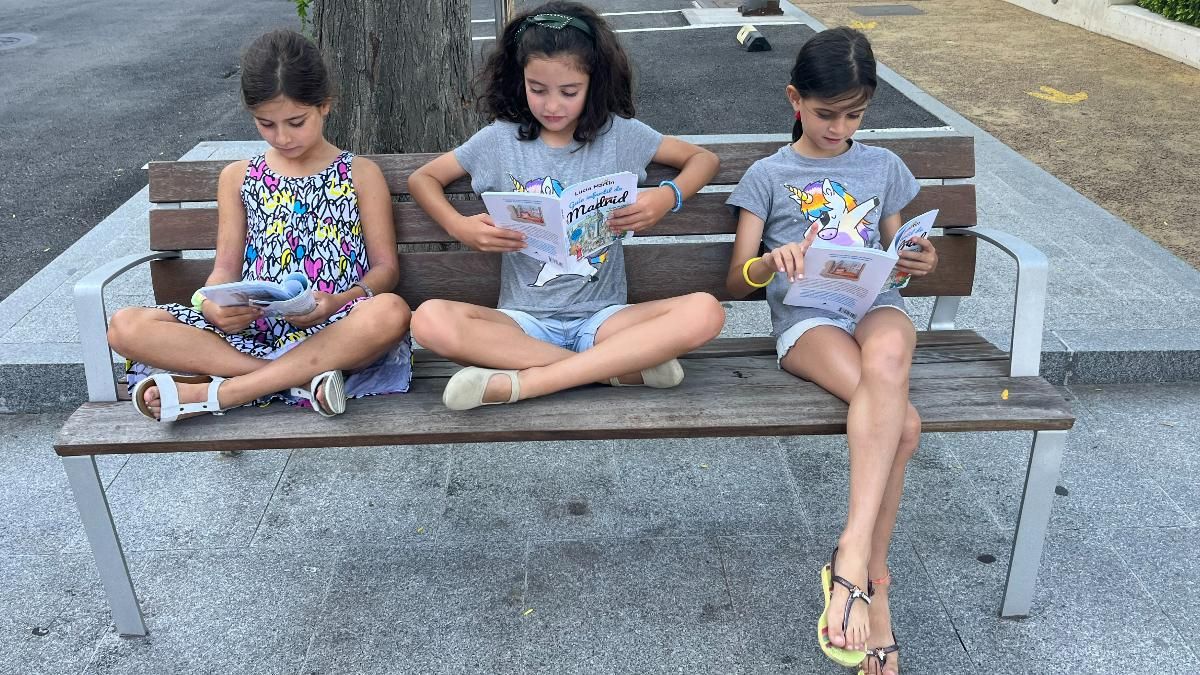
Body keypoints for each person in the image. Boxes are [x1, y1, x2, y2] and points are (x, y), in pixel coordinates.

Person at [724, 27, 938, 675]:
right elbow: (736, 280)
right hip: (808, 320)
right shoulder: (769, 175)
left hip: (875, 306)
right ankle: (873, 582)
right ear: (795, 99)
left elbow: (901, 252)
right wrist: (770, 263)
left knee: (890, 356)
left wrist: (919, 260)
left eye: (854, 116)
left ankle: (851, 557)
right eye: (825, 114)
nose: (839, 128)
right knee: (903, 424)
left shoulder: (883, 167)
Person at [407, 1, 725, 411]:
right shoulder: (499, 141)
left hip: (605, 320)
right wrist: (459, 227)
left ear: (595, 83)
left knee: (706, 312)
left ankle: (526, 383)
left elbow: (703, 159)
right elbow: (423, 179)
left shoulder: (619, 136)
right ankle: (614, 369)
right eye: (537, 89)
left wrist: (667, 196)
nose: (552, 105)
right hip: (522, 324)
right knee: (428, 320)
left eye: (569, 92)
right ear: (518, 79)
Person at [108, 29, 412, 422]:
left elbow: (386, 270)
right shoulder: (238, 177)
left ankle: (225, 391)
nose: (282, 137)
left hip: (334, 328)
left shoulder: (360, 173)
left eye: (296, 122)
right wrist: (213, 306)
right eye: (266, 124)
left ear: (325, 105)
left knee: (390, 312)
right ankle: (298, 383)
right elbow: (224, 269)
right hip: (251, 333)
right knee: (125, 326)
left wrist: (338, 301)